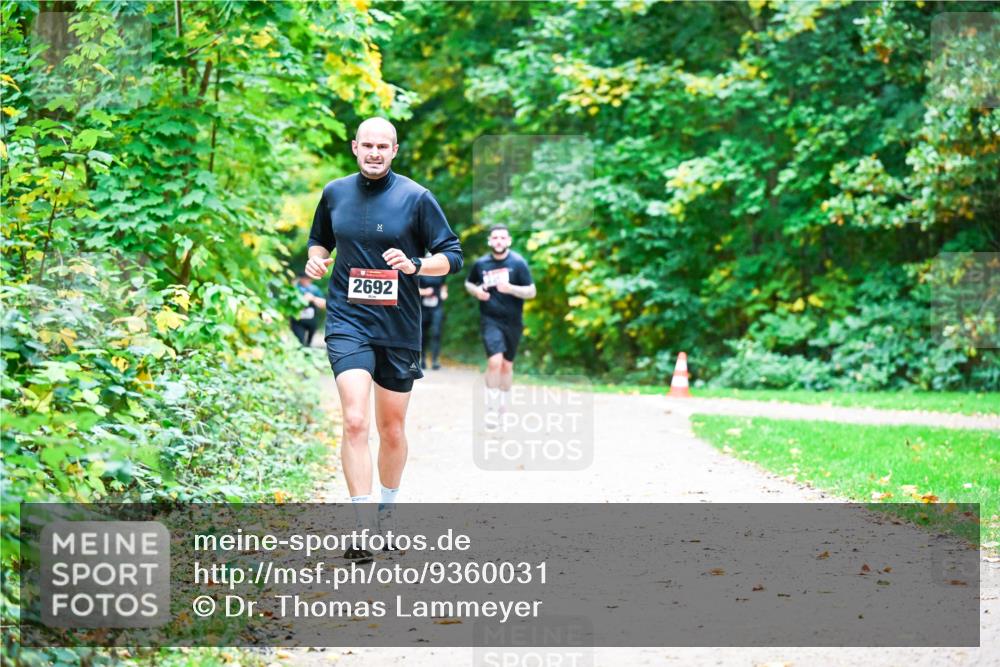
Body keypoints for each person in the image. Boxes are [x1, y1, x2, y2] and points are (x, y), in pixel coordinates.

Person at [305, 117, 463, 561]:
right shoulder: (335, 192)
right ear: (355, 147)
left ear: (395, 151)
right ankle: (360, 528)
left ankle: (387, 515)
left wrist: (414, 265)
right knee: (355, 420)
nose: (375, 153)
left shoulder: (416, 198)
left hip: (397, 326)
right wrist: (317, 262)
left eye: (383, 146)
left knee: (390, 429)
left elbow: (452, 256)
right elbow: (319, 242)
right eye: (367, 145)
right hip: (347, 321)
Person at [464, 224, 535, 414]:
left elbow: (531, 291)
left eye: (503, 238)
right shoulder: (481, 264)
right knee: (495, 361)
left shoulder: (518, 263)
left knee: (506, 365)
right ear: (489, 241)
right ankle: (490, 403)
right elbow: (469, 283)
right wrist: (477, 291)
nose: (498, 241)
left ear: (509, 241)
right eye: (495, 238)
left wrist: (511, 288)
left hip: (513, 321)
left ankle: (503, 404)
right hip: (490, 319)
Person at [418, 272, 448, 369]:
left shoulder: (441, 271)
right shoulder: (420, 272)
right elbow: (413, 289)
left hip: (437, 306)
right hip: (424, 307)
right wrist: (424, 291)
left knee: (436, 333)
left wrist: (444, 292)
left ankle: (435, 360)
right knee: (422, 333)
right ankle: (422, 359)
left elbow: (443, 285)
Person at [290, 274, 325, 346]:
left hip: (311, 320)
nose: (306, 280)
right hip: (297, 320)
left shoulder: (314, 289)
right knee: (300, 342)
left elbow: (323, 304)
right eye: (304, 278)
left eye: (308, 279)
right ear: (300, 279)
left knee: (309, 343)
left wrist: (313, 298)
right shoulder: (295, 288)